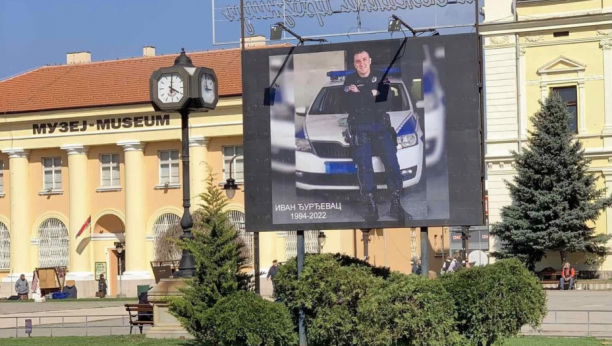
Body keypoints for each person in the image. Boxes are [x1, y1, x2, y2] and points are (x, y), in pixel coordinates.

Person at [343, 49, 410, 222]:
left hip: (380, 127)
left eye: (364, 59)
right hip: (360, 127)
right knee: (365, 167)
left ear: (370, 60)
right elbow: (350, 105)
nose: (362, 63)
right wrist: (372, 93)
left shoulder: (382, 76)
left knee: (393, 164)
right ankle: (370, 207)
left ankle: (396, 204)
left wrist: (361, 93)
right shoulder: (349, 79)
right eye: (358, 61)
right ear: (354, 64)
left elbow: (384, 103)